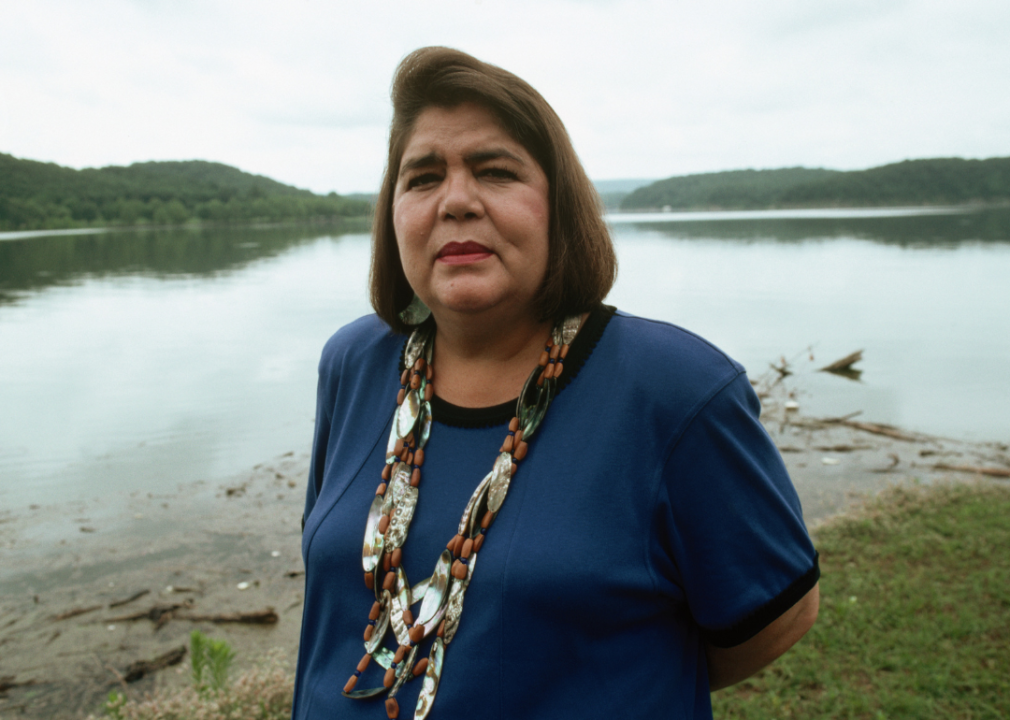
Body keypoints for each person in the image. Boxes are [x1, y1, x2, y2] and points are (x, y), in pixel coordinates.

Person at [293, 47, 819, 720]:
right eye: (422, 177)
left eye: (495, 170)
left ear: (558, 205)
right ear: (393, 212)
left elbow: (776, 618)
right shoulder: (353, 363)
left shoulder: (677, 391)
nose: (456, 201)